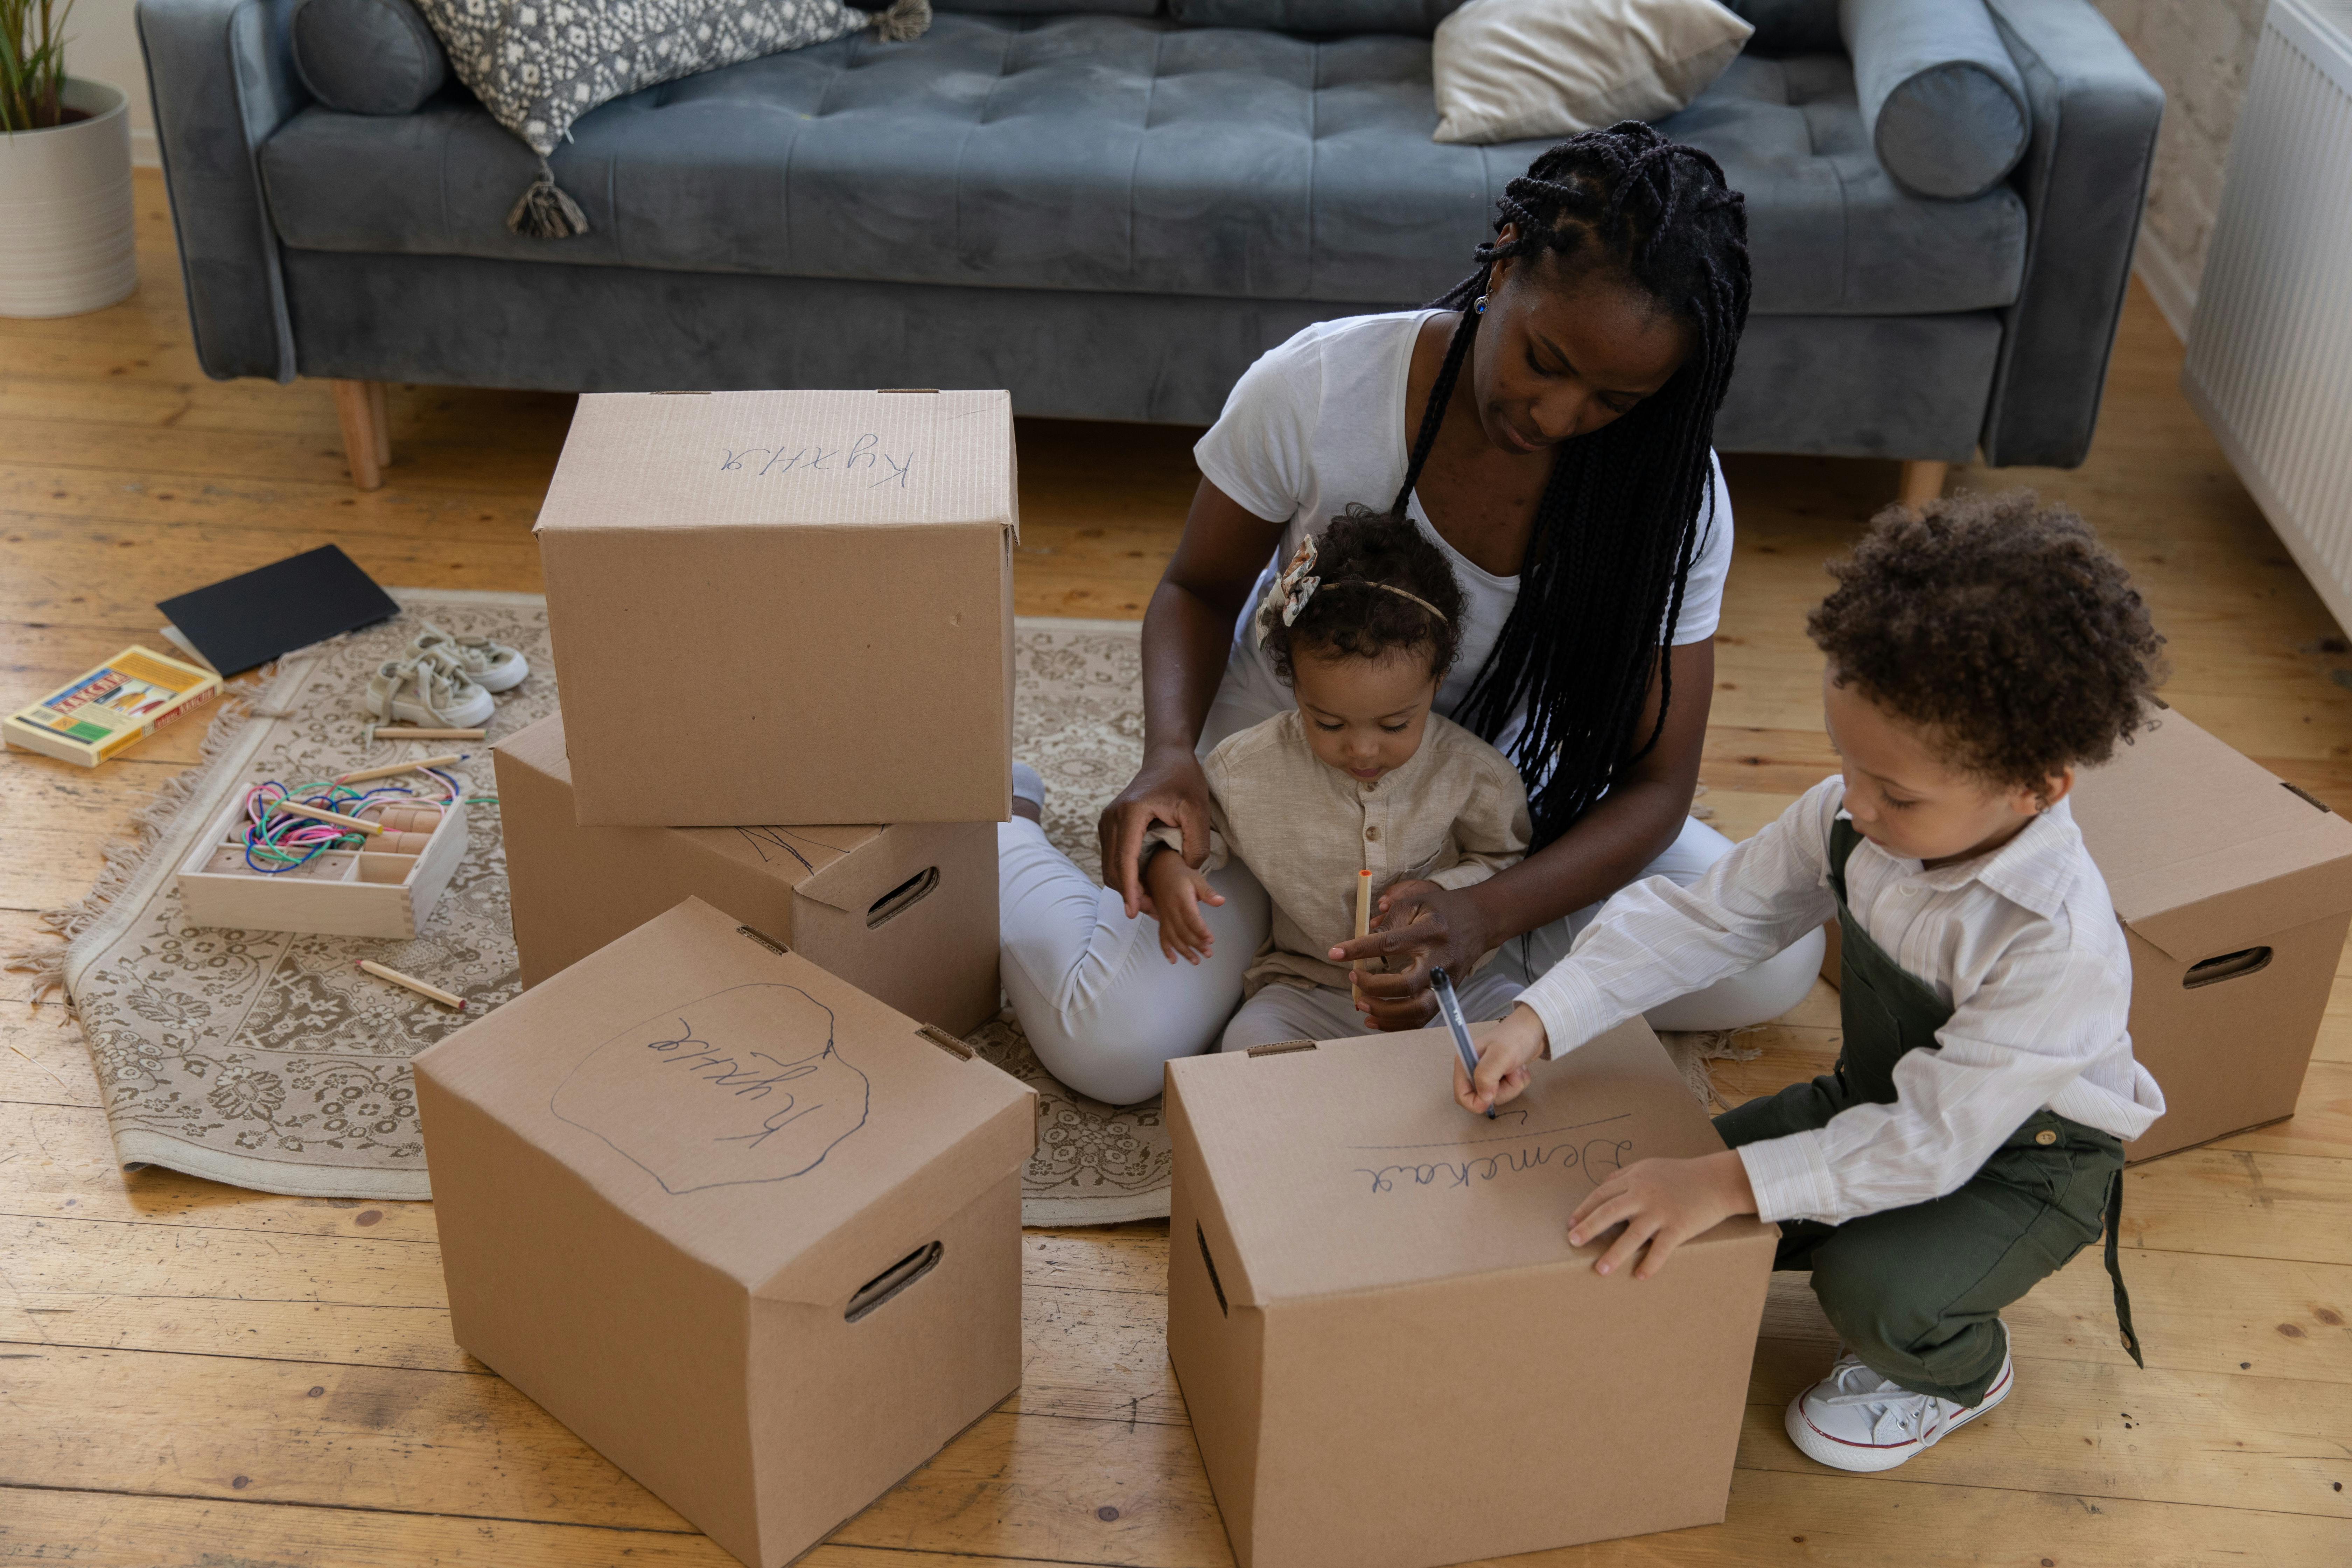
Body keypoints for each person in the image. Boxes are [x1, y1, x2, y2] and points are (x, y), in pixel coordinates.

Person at [1003, 121, 1820, 1105]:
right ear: (1505, 263)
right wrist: (1171, 753)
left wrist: (1489, 913)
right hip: (1285, 789)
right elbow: (1196, 589)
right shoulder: (1319, 387)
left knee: (1774, 960)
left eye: (1615, 399)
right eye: (1546, 360)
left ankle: (1376, 966)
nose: (1559, 417)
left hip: (1489, 821)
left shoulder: (1671, 499)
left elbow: (1656, 784)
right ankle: (999, 828)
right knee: (1117, 1046)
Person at [1457, 492, 2169, 1473]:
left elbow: (1927, 1142)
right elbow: (1711, 916)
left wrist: (1723, 1185)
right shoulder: (1849, 814)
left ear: (2038, 785)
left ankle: (1956, 1367)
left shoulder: (2056, 944)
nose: (1859, 806)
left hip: (2021, 1165)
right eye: (1849, 763)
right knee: (1642, 1202)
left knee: (1864, 1288)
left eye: (1900, 793)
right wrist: (1544, 1016)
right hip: (1871, 1103)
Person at [1140, 508, 1531, 1052]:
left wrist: (1446, 893)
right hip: (1309, 990)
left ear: (1437, 681)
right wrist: (1164, 866)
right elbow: (1187, 825)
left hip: (1453, 987)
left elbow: (1505, 860)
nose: (1363, 749)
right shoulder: (1245, 768)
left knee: (1530, 1028)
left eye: (1396, 724)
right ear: (1295, 686)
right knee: (1247, 1051)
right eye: (1329, 723)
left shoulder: (1477, 776)